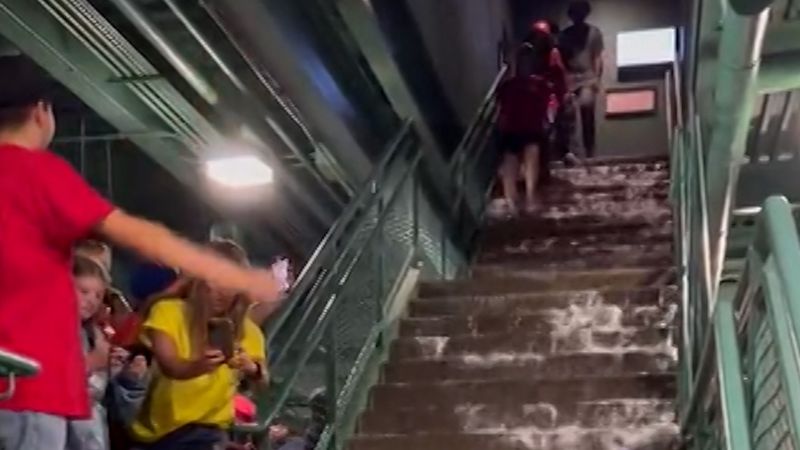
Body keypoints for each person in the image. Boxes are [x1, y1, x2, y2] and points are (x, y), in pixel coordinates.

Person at [0, 56, 283, 450]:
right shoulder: (36, 172)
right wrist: (240, 276)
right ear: (41, 113)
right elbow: (139, 235)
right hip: (27, 388)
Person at [130, 240, 269, 450]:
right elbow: (171, 366)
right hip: (160, 433)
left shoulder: (249, 331)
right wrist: (199, 366)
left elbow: (263, 381)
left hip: (210, 431)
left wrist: (252, 368)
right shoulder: (167, 311)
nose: (222, 290)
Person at [495, 43, 561, 215]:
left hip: (532, 128)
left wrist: (548, 121)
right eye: (522, 60)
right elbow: (502, 108)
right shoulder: (509, 86)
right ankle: (511, 201)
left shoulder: (540, 84)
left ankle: (530, 196)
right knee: (510, 160)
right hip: (513, 128)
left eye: (528, 60)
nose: (525, 63)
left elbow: (549, 105)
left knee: (531, 153)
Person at [68, 255, 117, 450]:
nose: (91, 300)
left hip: (89, 429)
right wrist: (91, 362)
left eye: (98, 295)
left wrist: (119, 371)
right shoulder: (52, 329)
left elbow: (97, 388)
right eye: (84, 291)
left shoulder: (91, 332)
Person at [560, 0, 605, 158]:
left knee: (587, 110)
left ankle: (589, 151)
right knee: (568, 115)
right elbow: (562, 59)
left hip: (587, 76)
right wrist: (564, 80)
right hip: (571, 77)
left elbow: (597, 57)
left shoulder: (594, 33)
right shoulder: (565, 35)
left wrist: (596, 79)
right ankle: (571, 151)